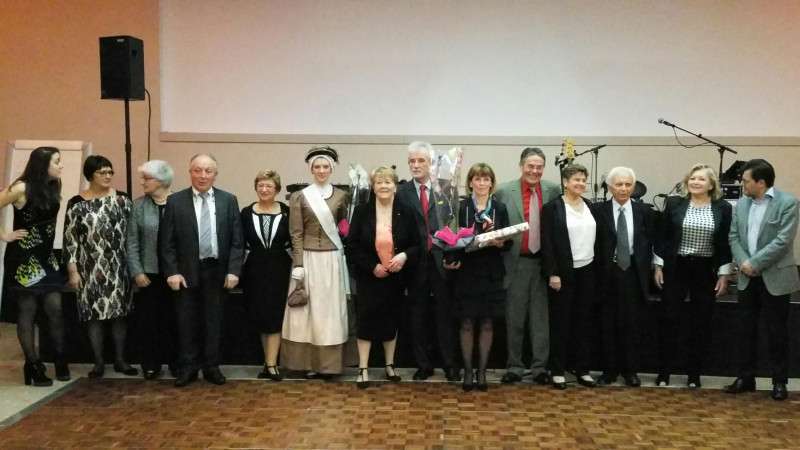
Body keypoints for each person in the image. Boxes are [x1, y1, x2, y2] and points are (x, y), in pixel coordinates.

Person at [160, 154, 244, 387]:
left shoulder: (229, 200)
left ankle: (211, 366)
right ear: (190, 172)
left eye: (208, 171)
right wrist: (172, 272)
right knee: (186, 322)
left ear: (215, 175)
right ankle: (188, 368)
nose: (202, 176)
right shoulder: (176, 202)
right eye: (197, 170)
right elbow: (167, 243)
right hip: (186, 273)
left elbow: (237, 241)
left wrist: (234, 271)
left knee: (214, 322)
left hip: (217, 271)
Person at [724, 159, 799, 401]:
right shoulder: (741, 205)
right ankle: (746, 378)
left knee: (777, 332)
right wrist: (745, 263)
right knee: (745, 330)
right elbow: (734, 236)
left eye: (745, 180)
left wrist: (754, 263)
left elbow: (783, 241)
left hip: (775, 277)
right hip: (747, 277)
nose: (742, 184)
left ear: (761, 182)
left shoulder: (788, 203)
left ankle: (779, 382)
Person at [653, 163, 732, 389]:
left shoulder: (723, 208)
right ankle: (664, 372)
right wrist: (658, 266)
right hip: (676, 266)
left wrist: (724, 273)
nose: (695, 182)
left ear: (711, 185)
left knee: (700, 322)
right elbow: (663, 237)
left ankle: (694, 375)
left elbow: (725, 242)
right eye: (692, 178)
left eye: (701, 179)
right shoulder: (675, 204)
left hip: (705, 269)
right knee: (670, 319)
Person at [0, 147, 68, 386]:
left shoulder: (53, 185)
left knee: (55, 306)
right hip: (24, 258)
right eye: (57, 162)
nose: (61, 166)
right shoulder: (21, 188)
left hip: (47, 256)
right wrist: (5, 235)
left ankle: (60, 357)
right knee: (27, 309)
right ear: (43, 164)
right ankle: (33, 364)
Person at [346, 166, 420, 389]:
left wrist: (404, 256)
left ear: (395, 187)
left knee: (391, 321)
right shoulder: (361, 211)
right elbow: (352, 246)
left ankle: (390, 365)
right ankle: (363, 368)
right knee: (366, 321)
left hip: (395, 276)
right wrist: (372, 266)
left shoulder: (407, 211)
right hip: (370, 276)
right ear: (373, 187)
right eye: (379, 182)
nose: (384, 186)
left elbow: (417, 244)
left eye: (388, 182)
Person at [64, 155, 136, 379]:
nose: (107, 176)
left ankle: (121, 360)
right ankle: (98, 362)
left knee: (119, 314)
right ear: (89, 175)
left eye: (110, 172)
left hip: (119, 266)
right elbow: (70, 239)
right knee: (93, 316)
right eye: (102, 172)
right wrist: (73, 271)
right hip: (89, 268)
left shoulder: (122, 199)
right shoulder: (76, 203)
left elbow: (133, 235)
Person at [281, 146, 349, 378]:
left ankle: (329, 365)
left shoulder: (342, 196)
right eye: (317, 167)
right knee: (307, 313)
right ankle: (308, 363)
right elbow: (296, 233)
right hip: (308, 259)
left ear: (331, 169)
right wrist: (298, 264)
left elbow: (342, 228)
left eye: (325, 167)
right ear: (311, 169)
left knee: (328, 312)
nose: (321, 170)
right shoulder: (300, 196)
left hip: (331, 259)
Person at [396, 141, 460, 382]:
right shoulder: (401, 192)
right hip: (415, 262)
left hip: (442, 261)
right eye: (412, 161)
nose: (416, 165)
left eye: (421, 160)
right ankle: (424, 364)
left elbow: (453, 226)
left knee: (445, 314)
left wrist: (453, 256)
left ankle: (450, 364)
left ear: (431, 163)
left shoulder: (445, 188)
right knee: (418, 315)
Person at [495, 147, 560, 385]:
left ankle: (540, 368)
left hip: (543, 265)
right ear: (521, 165)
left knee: (541, 321)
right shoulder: (503, 191)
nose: (534, 171)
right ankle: (514, 366)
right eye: (530, 166)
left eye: (539, 167)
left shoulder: (553, 190)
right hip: (516, 264)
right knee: (515, 319)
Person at [591, 167, 654, 387]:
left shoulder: (645, 212)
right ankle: (609, 371)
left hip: (634, 273)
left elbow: (651, 243)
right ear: (610, 188)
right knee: (607, 324)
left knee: (632, 324)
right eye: (619, 184)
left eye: (628, 184)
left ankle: (630, 370)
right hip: (608, 273)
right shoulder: (597, 211)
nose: (624, 188)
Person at [451, 163, 510, 392]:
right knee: (466, 322)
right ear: (471, 182)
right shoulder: (461, 207)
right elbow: (451, 237)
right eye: (477, 179)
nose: (482, 183)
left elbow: (509, 239)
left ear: (492, 183)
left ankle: (482, 371)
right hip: (467, 271)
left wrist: (501, 241)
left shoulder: (500, 207)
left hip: (491, 272)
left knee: (487, 322)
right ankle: (467, 370)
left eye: (486, 179)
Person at [541, 164, 598, 390]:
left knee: (583, 323)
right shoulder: (553, 208)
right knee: (561, 323)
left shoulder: (590, 206)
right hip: (562, 274)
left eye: (584, 180)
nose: (581, 184)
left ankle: (581, 369)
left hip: (587, 270)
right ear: (565, 182)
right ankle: (557, 370)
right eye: (576, 180)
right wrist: (553, 273)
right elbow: (548, 244)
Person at [126, 160, 178, 380]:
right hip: (148, 274)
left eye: (146, 178)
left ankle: (177, 362)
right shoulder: (138, 206)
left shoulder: (180, 203)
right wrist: (137, 271)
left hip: (176, 274)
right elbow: (132, 242)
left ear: (161, 180)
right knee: (149, 322)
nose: (142, 182)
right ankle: (151, 363)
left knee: (175, 320)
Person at [240, 170, 292, 381]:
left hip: (281, 269)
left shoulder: (288, 212)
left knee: (276, 315)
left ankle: (272, 364)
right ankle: (267, 361)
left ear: (277, 190)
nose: (264, 190)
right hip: (255, 270)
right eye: (260, 186)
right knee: (261, 316)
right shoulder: (245, 213)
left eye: (268, 186)